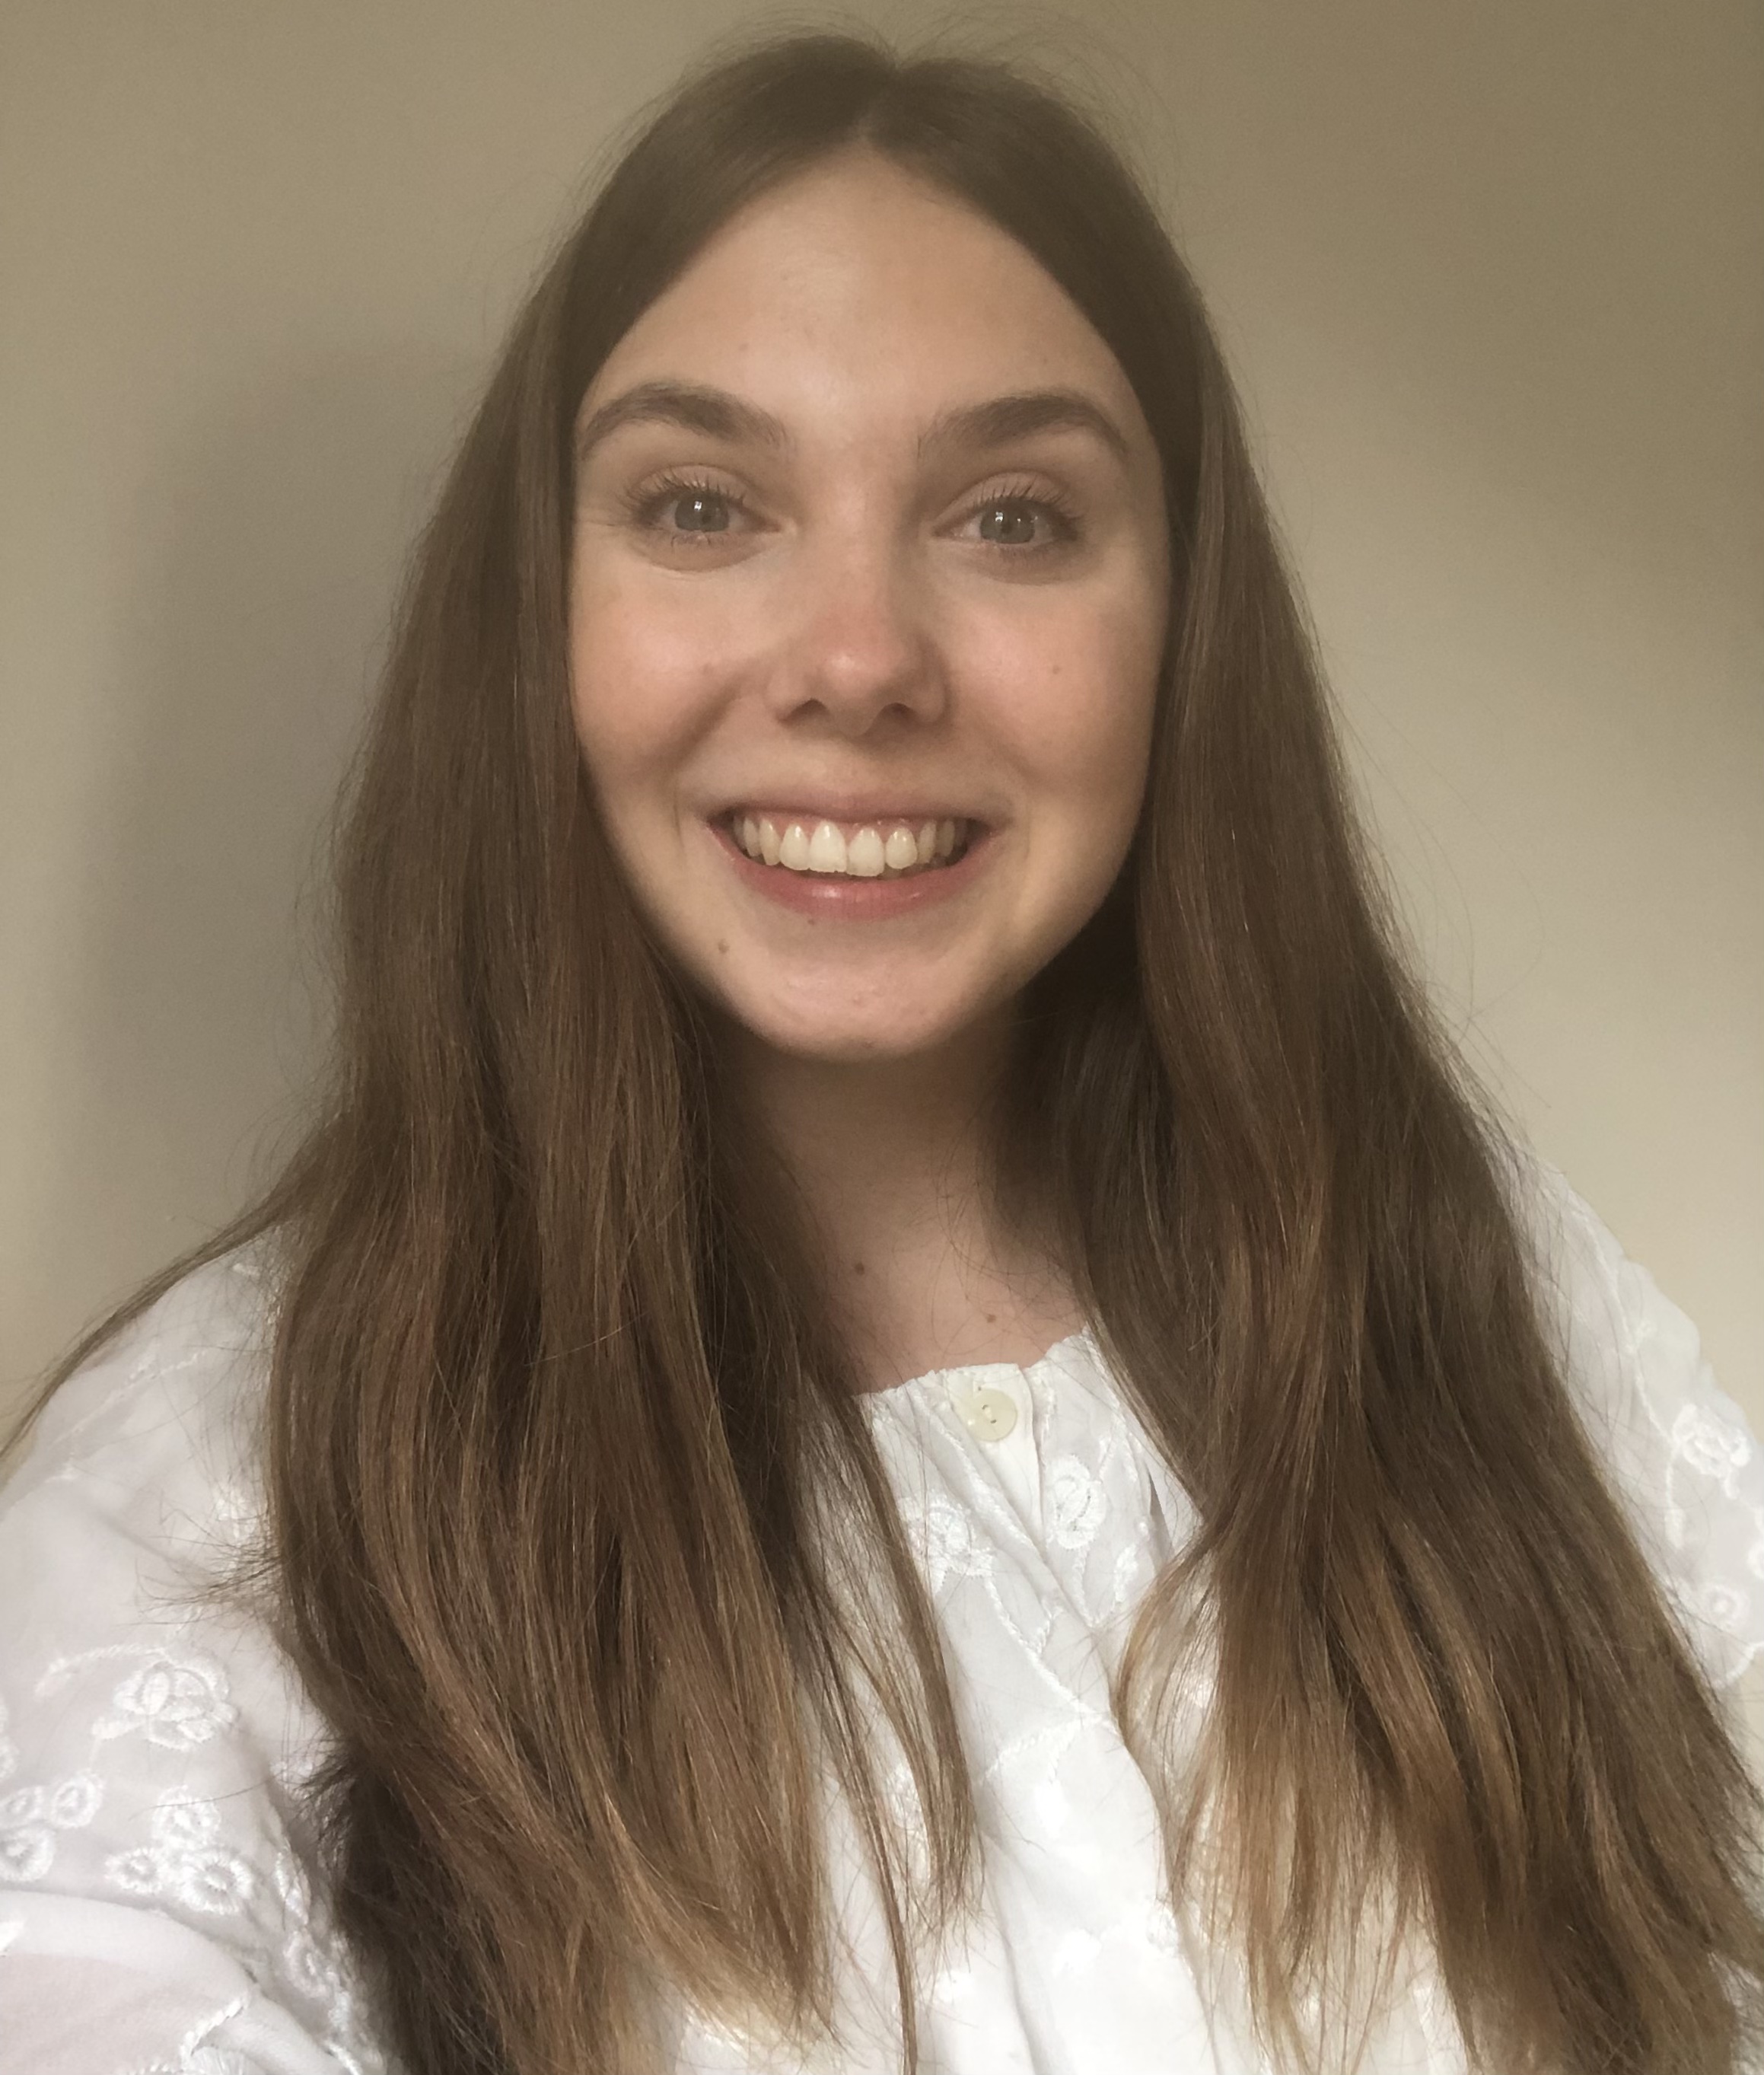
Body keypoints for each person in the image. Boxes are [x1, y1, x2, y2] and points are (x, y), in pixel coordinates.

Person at [2, 30, 1761, 2075]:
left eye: (1012, 518)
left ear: (1182, 630)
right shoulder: (222, 1501)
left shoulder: (1463, 1284)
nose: (857, 660)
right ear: (538, 615)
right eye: (701, 505)